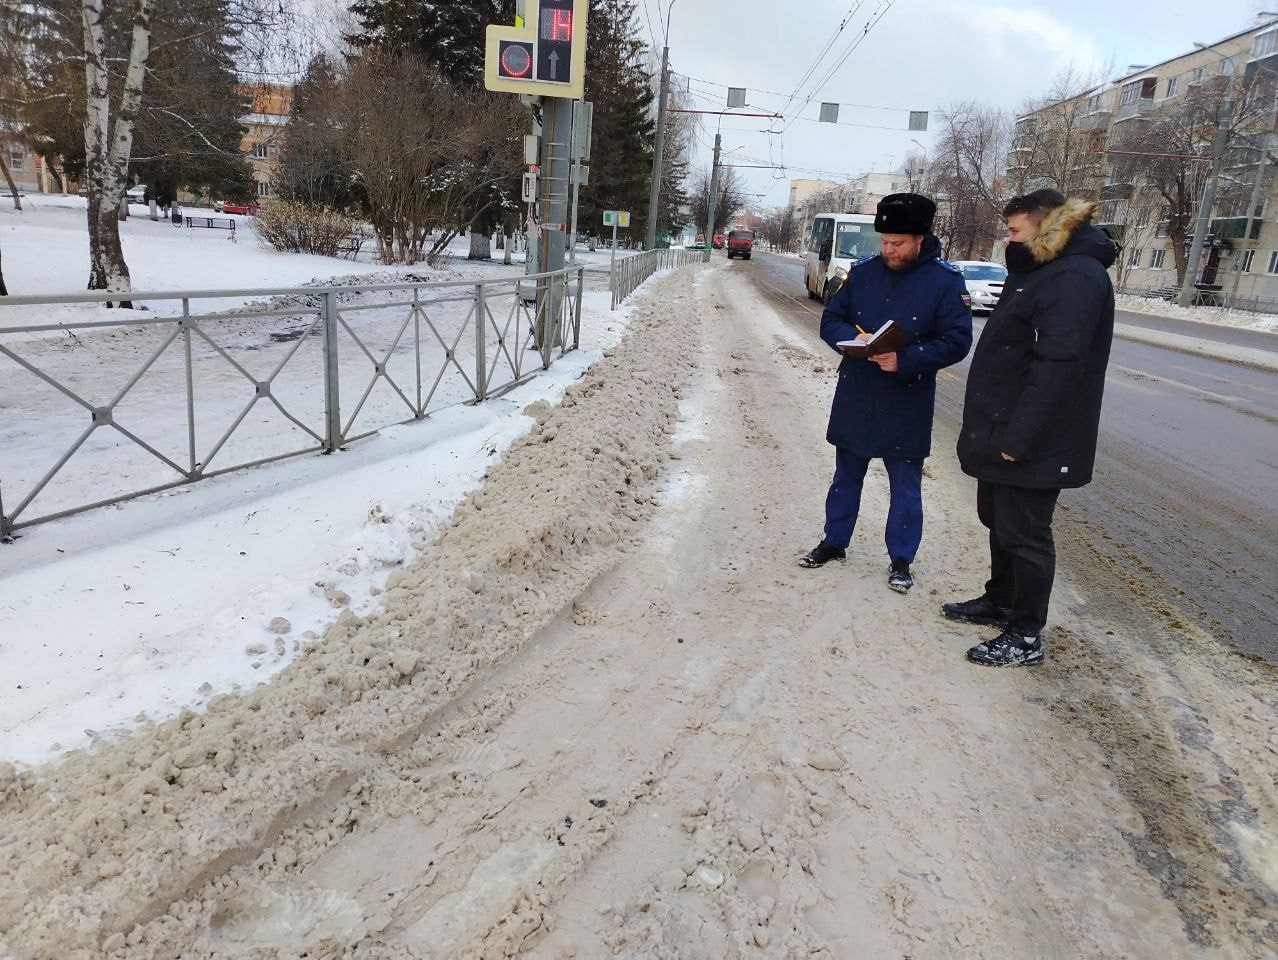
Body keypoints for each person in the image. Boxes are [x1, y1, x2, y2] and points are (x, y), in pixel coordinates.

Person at [947, 189, 1117, 667]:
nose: (1008, 237)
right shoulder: (1041, 270)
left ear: (1046, 226)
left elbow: (1059, 366)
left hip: (1034, 436)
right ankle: (1000, 600)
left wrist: (1020, 438)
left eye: (1015, 229)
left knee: (1026, 535)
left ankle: (1025, 635)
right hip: (1004, 425)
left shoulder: (1075, 277)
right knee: (999, 523)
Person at [801, 193, 973, 593]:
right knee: (846, 476)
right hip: (858, 389)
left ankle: (901, 558)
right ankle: (834, 542)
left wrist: (907, 358)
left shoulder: (945, 282)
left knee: (905, 485)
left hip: (906, 397)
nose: (888, 250)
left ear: (919, 239)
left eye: (896, 243)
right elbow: (832, 319)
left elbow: (957, 340)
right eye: (884, 242)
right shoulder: (863, 273)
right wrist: (853, 342)